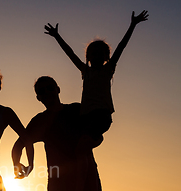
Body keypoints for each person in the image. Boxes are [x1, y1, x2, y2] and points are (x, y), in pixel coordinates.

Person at [44, 10, 148, 145]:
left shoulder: (107, 70)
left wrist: (133, 24)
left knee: (84, 142)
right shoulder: (86, 71)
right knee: (79, 143)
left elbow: (121, 46)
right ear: (88, 57)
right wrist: (57, 36)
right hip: (86, 116)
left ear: (106, 57)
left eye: (100, 54)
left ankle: (94, 140)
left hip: (101, 116)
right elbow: (70, 53)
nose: (97, 56)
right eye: (93, 54)